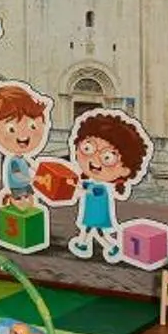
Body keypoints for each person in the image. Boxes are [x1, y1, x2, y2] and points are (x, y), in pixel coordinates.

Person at [63, 108, 152, 263]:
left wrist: (77, 187)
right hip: (94, 214)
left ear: (125, 169)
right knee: (96, 231)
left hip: (95, 214)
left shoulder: (101, 187)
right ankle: (96, 245)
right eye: (87, 148)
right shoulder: (95, 183)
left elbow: (89, 191)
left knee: (94, 230)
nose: (95, 160)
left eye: (107, 157)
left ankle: (96, 245)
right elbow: (86, 188)